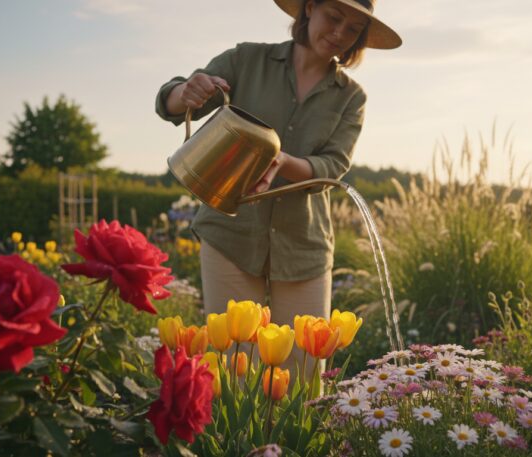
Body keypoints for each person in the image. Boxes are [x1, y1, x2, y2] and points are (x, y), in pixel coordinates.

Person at [155, 0, 401, 377]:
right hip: (229, 234)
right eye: (333, 18)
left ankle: (289, 441)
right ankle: (237, 441)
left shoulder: (351, 96)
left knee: (304, 375)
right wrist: (186, 91)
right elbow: (172, 101)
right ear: (309, 9)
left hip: (304, 246)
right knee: (234, 369)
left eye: (352, 29)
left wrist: (283, 162)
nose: (339, 33)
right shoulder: (246, 60)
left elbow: (333, 166)